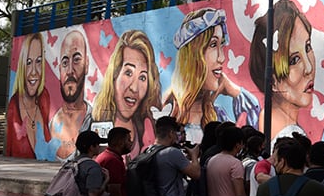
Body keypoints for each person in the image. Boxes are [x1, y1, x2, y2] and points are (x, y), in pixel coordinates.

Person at [166, 8, 258, 145]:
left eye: (221, 45)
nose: (221, 58)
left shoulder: (217, 115)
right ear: (192, 56)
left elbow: (252, 134)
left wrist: (234, 90)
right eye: (213, 45)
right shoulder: (167, 111)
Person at [248, 0, 313, 139]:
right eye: (294, 60)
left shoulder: (275, 122)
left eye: (308, 47)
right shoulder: (286, 134)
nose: (309, 68)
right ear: (272, 81)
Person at [91, 30, 161, 158]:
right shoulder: (95, 118)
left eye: (143, 78)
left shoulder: (145, 125)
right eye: (128, 73)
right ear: (114, 75)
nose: (134, 88)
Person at [50, 29, 93, 160]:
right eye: (65, 63)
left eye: (76, 60)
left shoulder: (94, 118)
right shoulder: (48, 125)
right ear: (59, 70)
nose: (69, 71)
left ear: (86, 65)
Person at [7, 31, 50, 158]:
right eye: (29, 62)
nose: (33, 72)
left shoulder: (44, 98)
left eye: (38, 62)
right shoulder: (13, 109)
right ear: (22, 66)